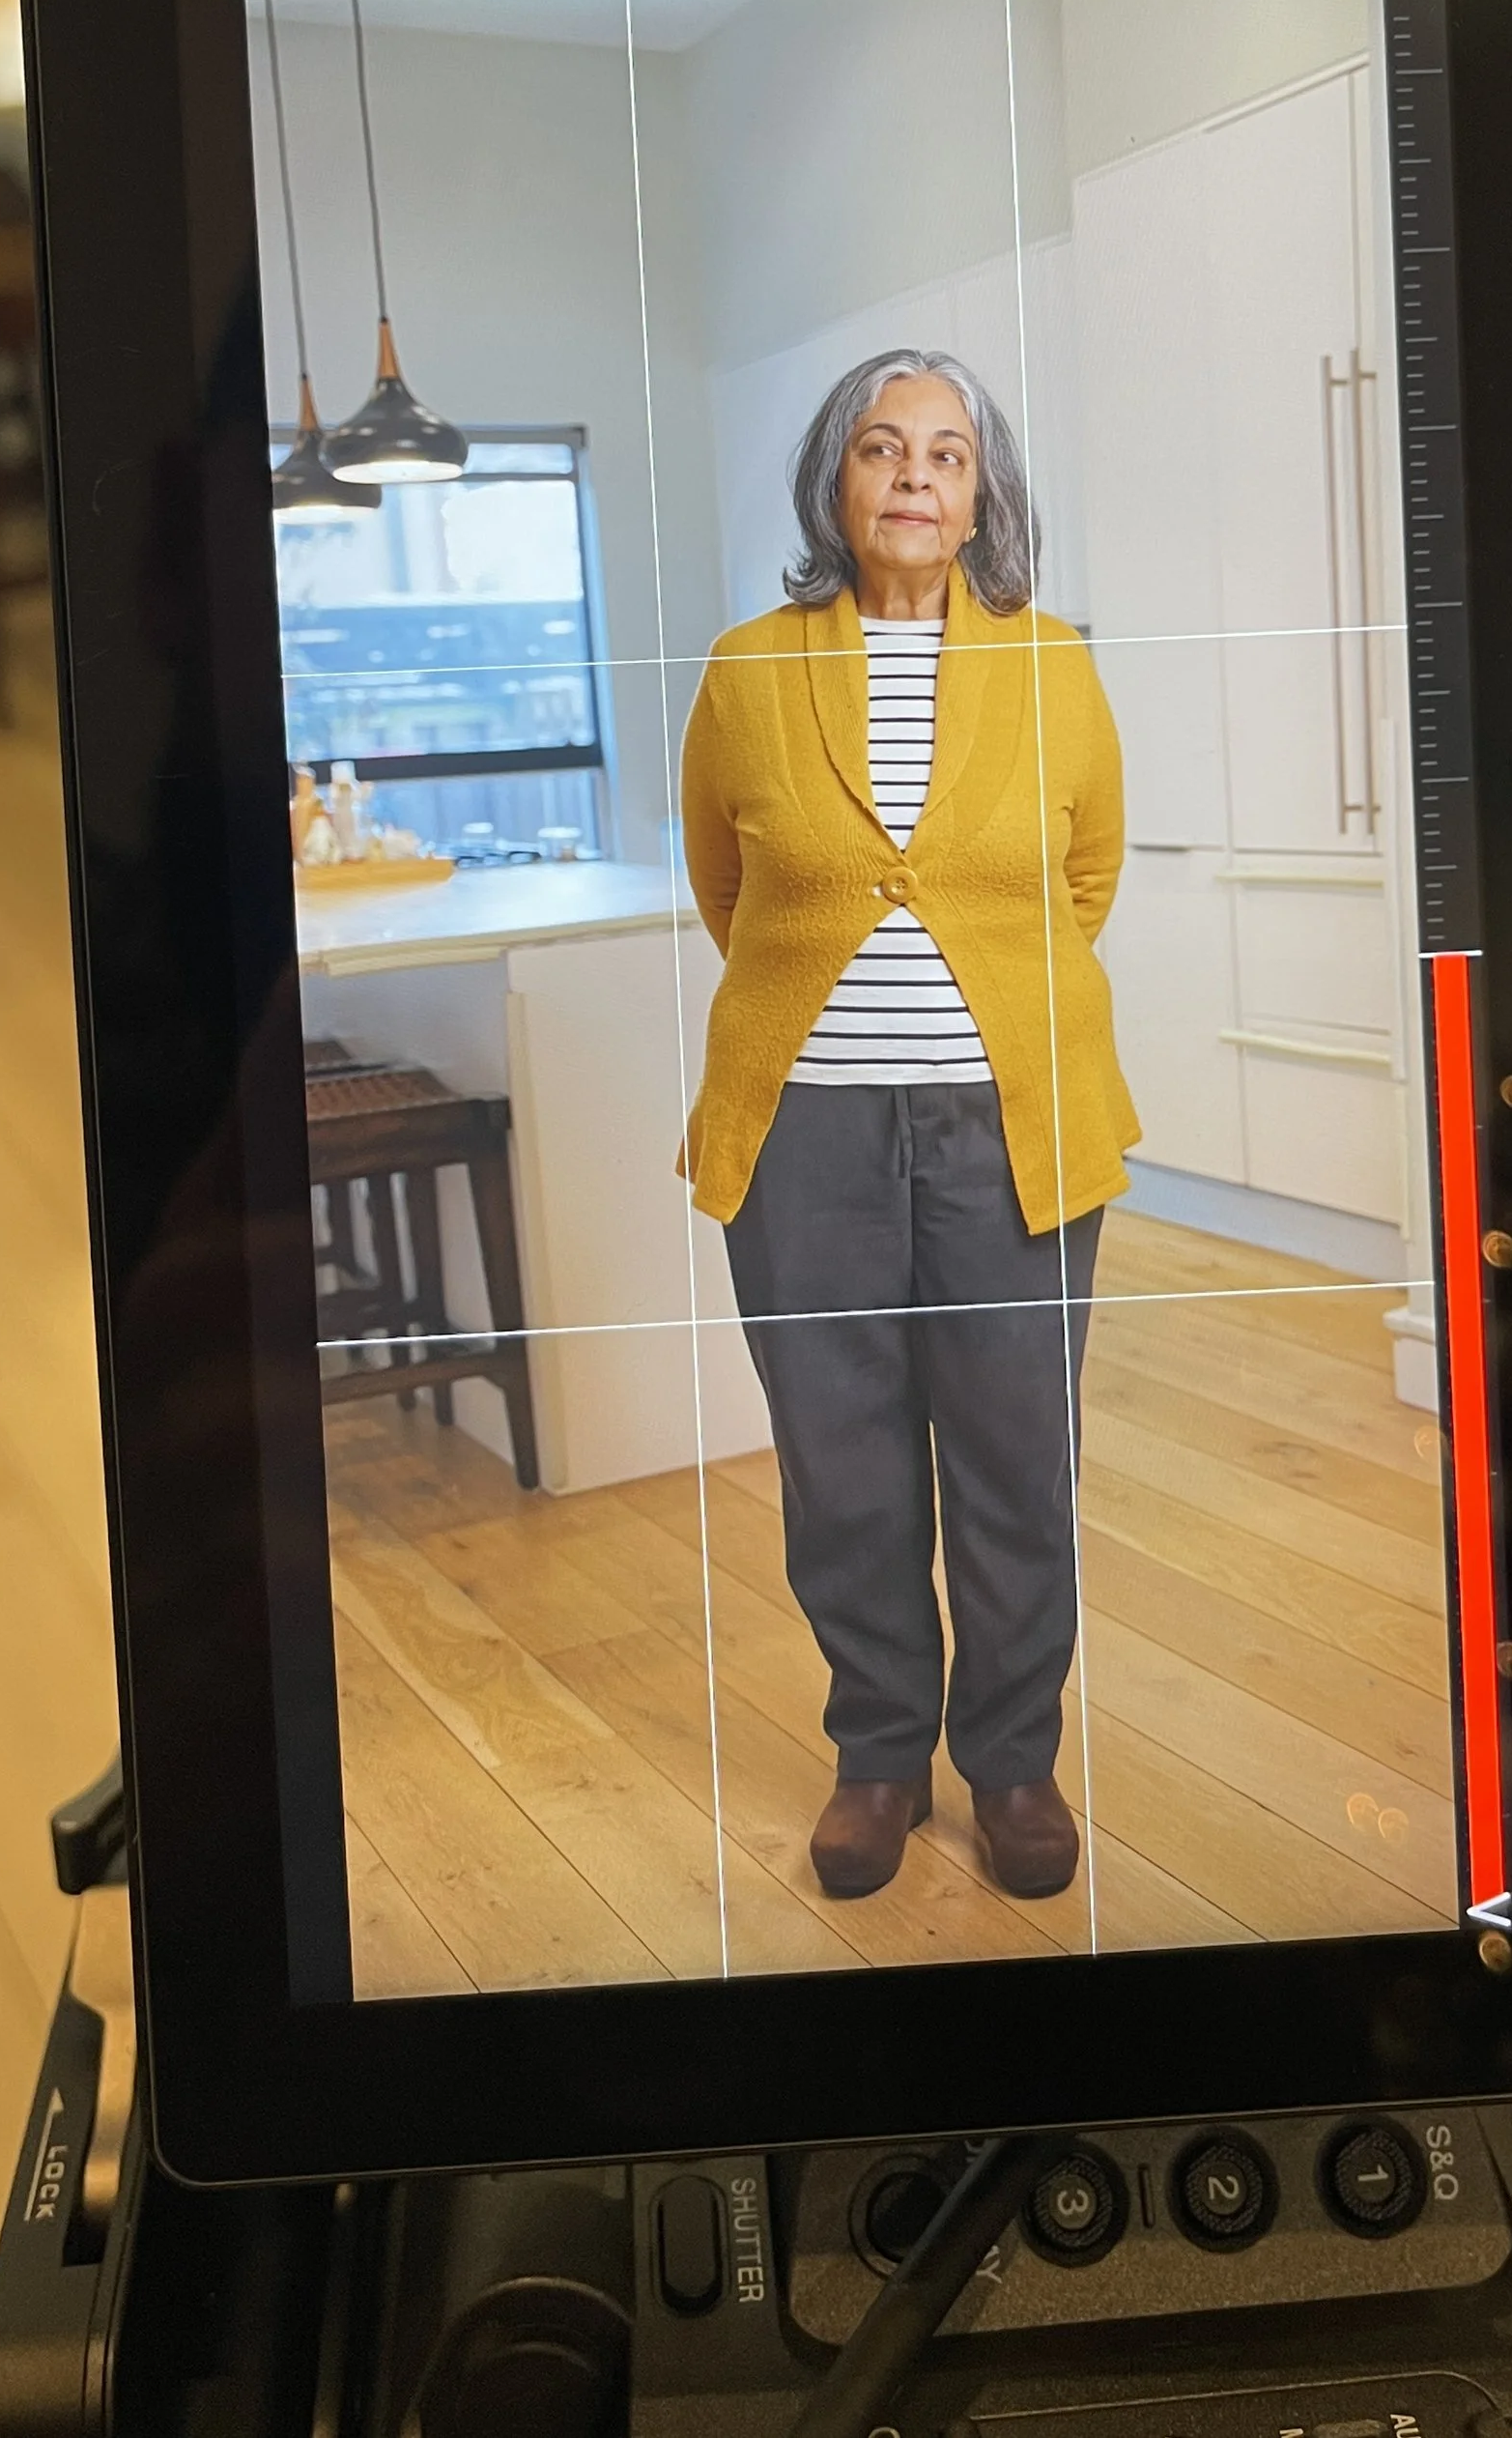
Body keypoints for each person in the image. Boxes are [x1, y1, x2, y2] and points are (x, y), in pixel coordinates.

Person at [679, 351, 1136, 1906]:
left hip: (1016, 1128)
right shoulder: (748, 670)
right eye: (883, 448)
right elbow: (726, 886)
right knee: (844, 1463)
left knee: (1017, 1458)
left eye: (947, 452)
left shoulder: (1052, 664)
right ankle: (877, 1755)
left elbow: (1085, 877)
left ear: (982, 492)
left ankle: (1012, 1762)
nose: (915, 476)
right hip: (803, 1136)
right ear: (837, 479)